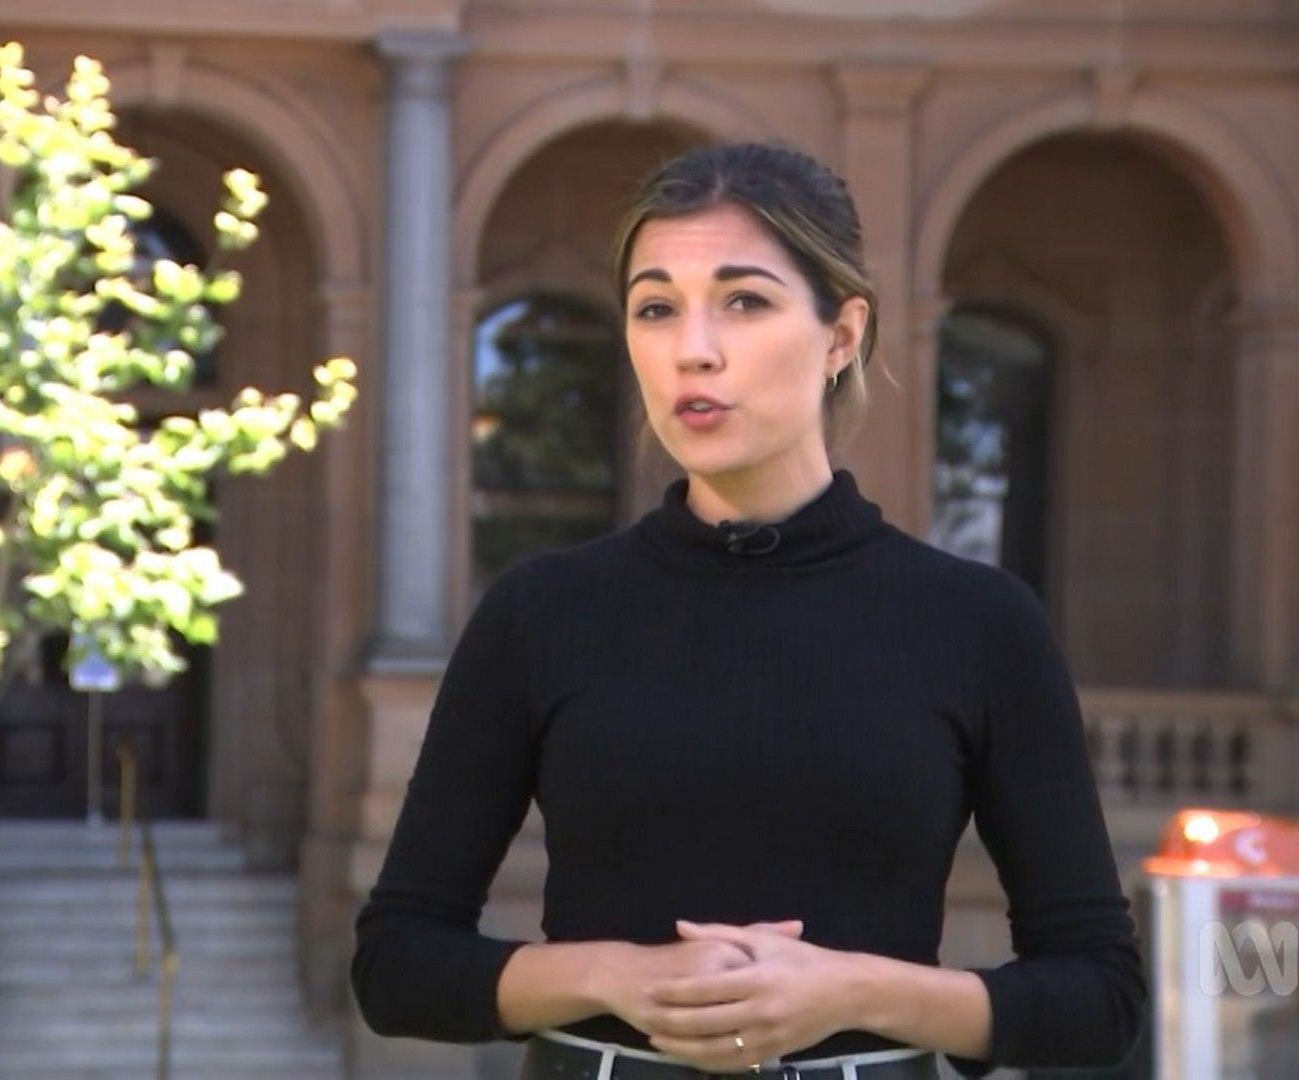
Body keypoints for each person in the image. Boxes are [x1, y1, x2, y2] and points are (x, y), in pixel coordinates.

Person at [350, 141, 1147, 1080]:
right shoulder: (542, 613)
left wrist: (852, 990)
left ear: (842, 334)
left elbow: (1101, 999)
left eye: (744, 302)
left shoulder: (978, 623)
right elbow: (396, 965)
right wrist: (617, 976)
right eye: (656, 308)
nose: (693, 349)